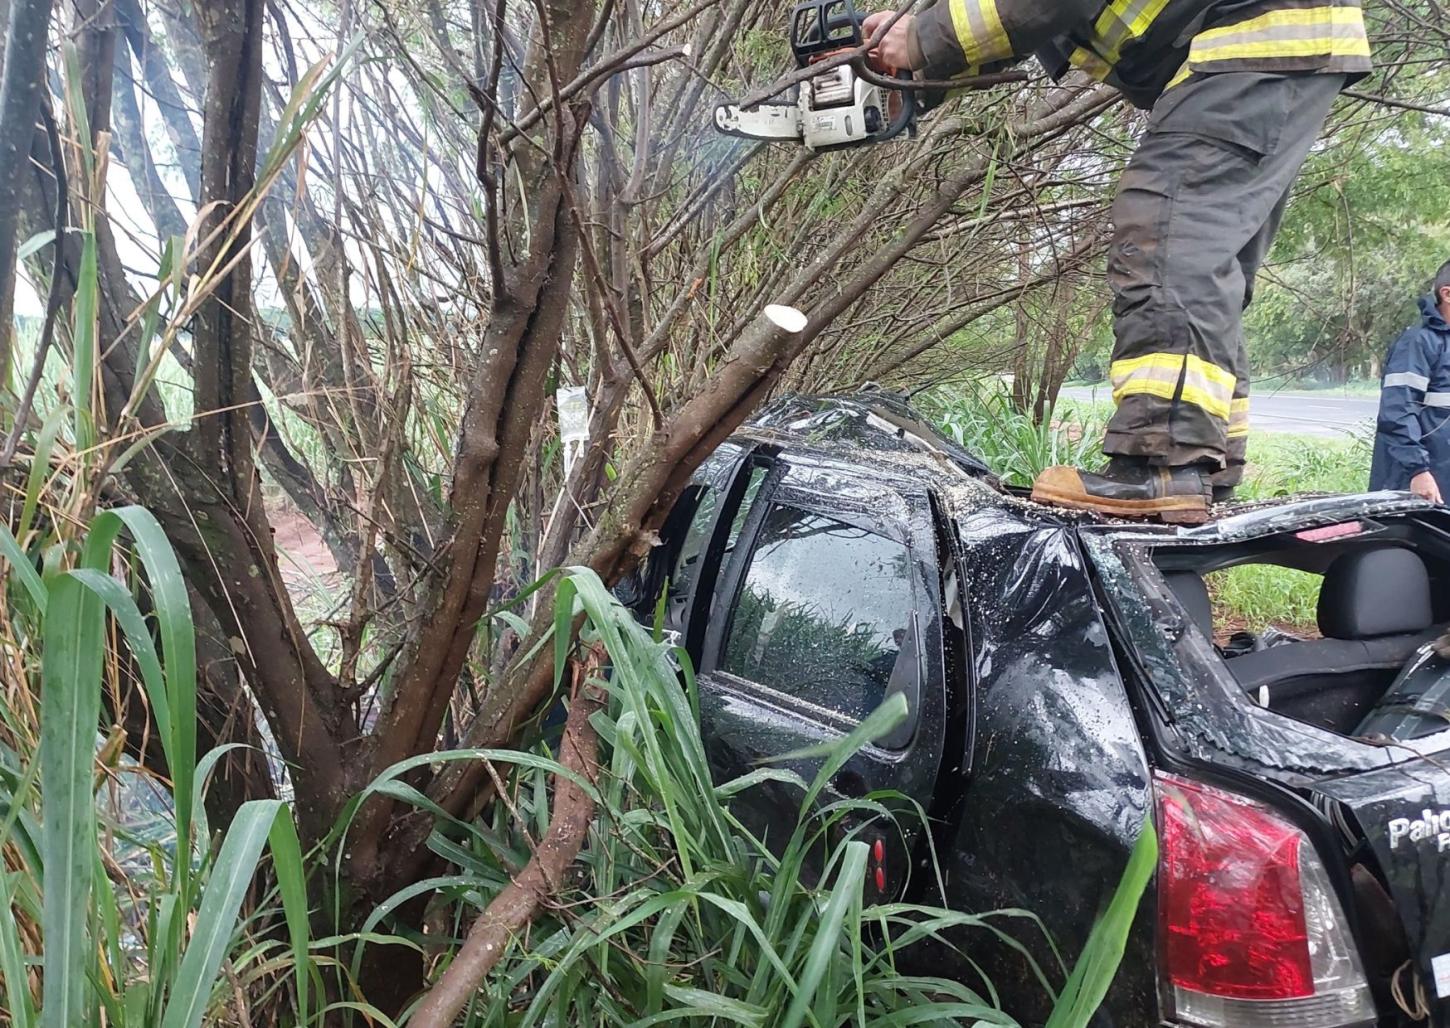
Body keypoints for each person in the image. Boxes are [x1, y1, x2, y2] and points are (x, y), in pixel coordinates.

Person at [865, 0, 1371, 522]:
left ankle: (1163, 465)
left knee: (1168, 235)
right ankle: (1205, 467)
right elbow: (1028, 23)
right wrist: (911, 58)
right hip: (1268, 47)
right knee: (1207, 261)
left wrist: (923, 37)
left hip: (1248, 40)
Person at [1369, 260, 1450, 504]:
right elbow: (1397, 412)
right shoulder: (1418, 343)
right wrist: (1418, 471)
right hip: (1419, 480)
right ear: (1447, 294)